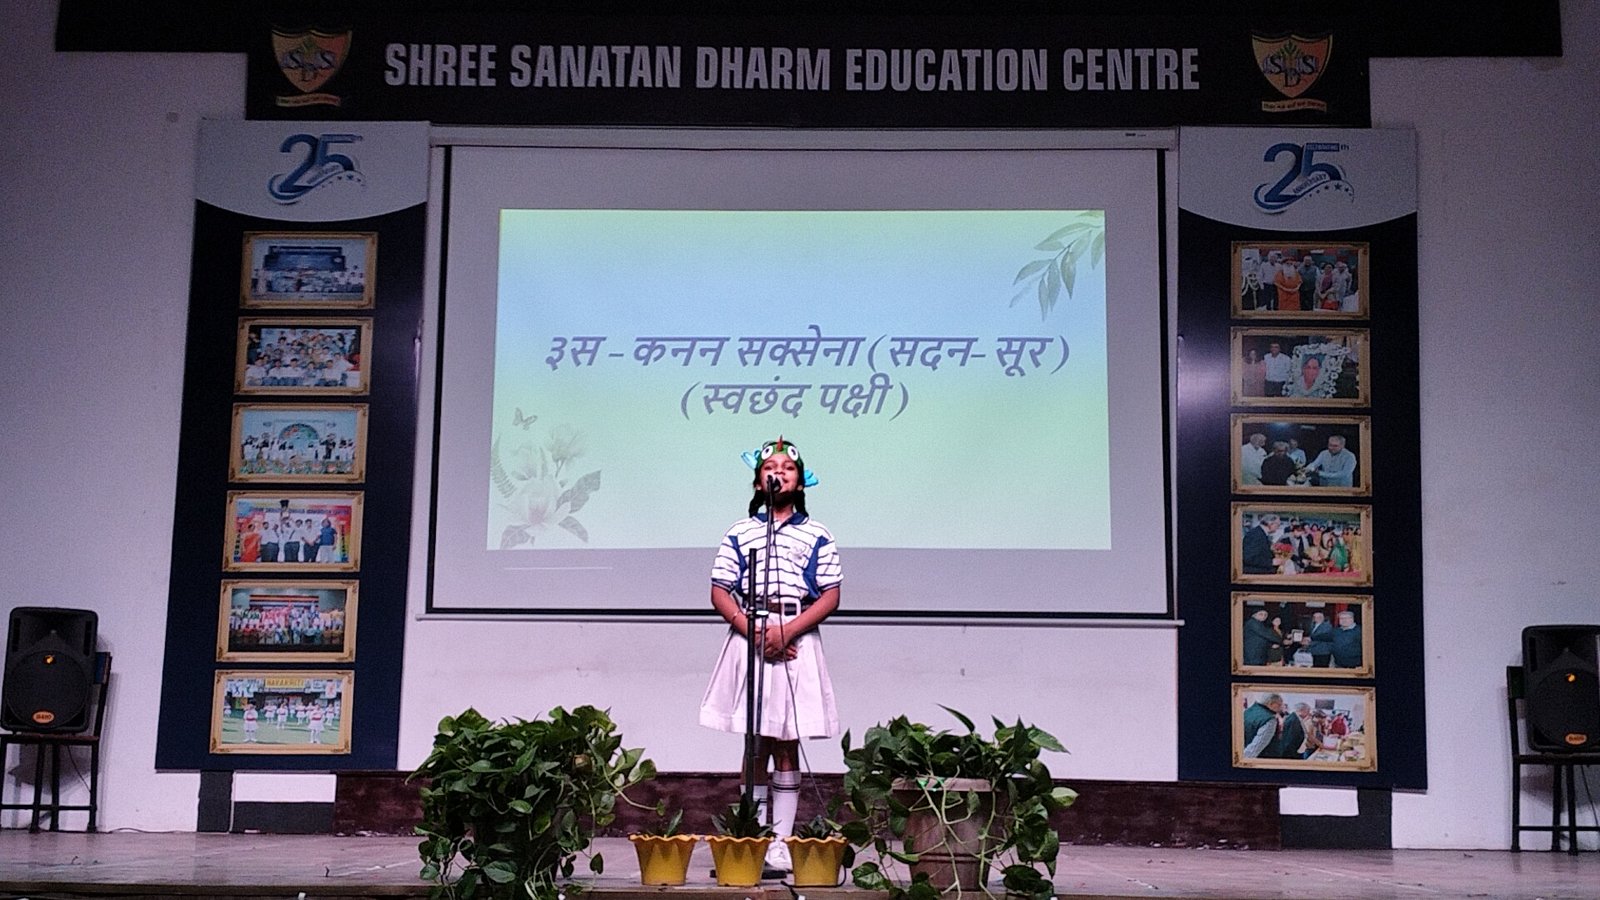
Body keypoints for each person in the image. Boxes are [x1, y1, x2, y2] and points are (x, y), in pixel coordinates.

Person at [699, 438, 841, 875]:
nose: (778, 473)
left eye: (788, 468)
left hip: (796, 634)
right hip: (751, 634)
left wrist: (786, 632)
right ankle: (752, 837)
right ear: (758, 482)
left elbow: (831, 594)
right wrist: (756, 633)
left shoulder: (817, 534)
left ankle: (780, 842)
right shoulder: (740, 532)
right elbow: (720, 591)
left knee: (786, 740)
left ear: (801, 482)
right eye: (769, 468)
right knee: (754, 741)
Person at [1241, 694, 1283, 759]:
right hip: (1258, 758)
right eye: (1279, 705)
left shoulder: (1248, 711)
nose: (1281, 708)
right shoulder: (1269, 720)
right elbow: (1255, 748)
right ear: (1271, 703)